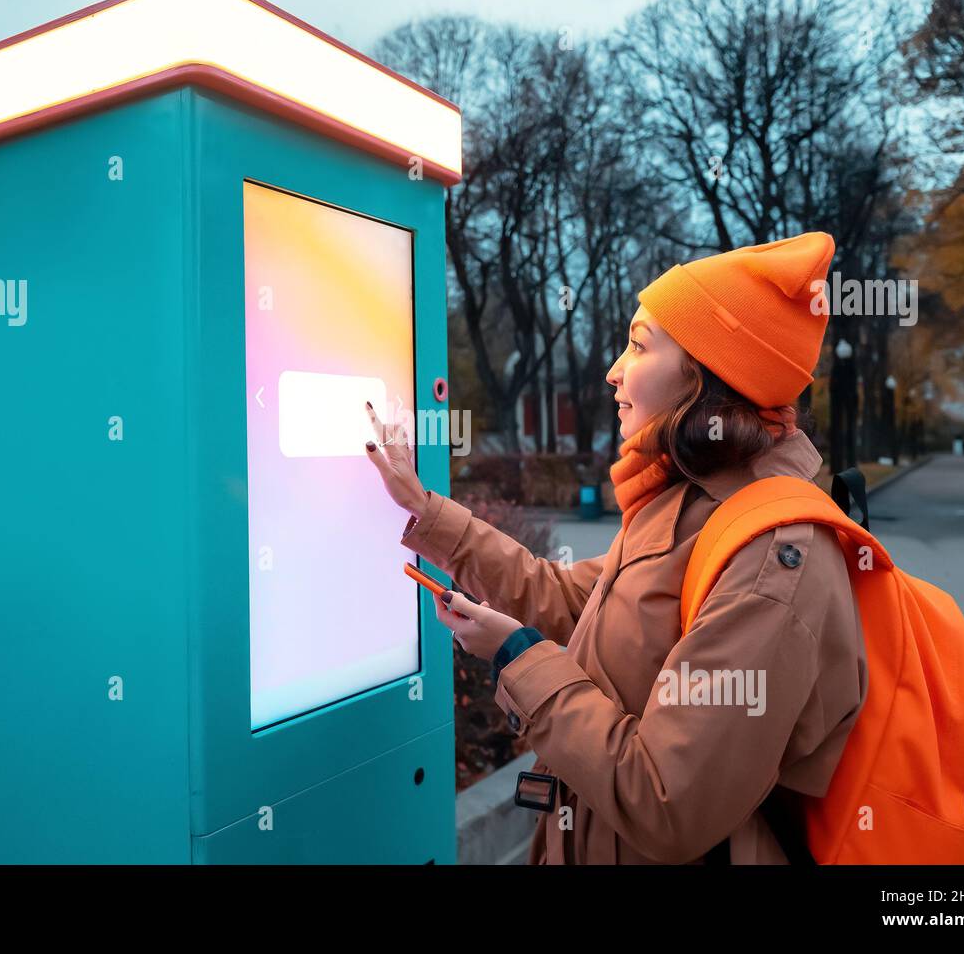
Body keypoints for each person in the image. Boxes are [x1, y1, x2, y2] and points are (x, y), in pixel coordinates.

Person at [364, 232, 866, 864]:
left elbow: (667, 802)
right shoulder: (689, 505)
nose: (613, 370)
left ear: (707, 376)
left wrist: (517, 658)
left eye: (638, 344)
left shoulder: (772, 558)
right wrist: (426, 511)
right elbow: (572, 601)